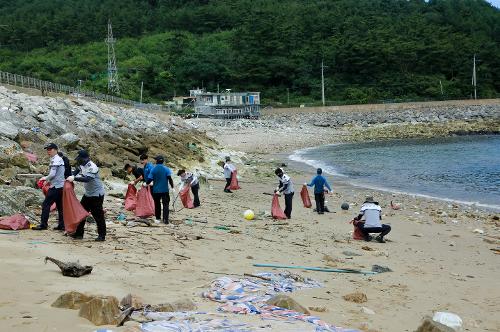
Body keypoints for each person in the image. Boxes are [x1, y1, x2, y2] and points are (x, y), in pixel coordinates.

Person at [67, 150, 106, 241]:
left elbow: (87, 179)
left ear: (85, 158)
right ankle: (79, 234)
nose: (78, 161)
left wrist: (74, 178)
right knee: (81, 213)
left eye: (79, 159)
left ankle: (102, 235)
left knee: (98, 215)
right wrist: (71, 175)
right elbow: (76, 171)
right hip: (88, 194)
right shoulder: (82, 165)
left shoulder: (92, 167)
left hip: (97, 195)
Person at [33, 143, 65, 231]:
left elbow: (52, 174)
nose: (48, 151)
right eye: (47, 149)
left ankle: (43, 224)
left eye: (50, 149)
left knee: (46, 205)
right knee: (60, 206)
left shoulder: (56, 159)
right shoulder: (57, 159)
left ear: (55, 149)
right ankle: (62, 225)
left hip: (56, 186)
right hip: (60, 186)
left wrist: (44, 178)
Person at [146, 155, 174, 224]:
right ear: (162, 161)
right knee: (166, 205)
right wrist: (172, 187)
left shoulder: (153, 169)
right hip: (165, 190)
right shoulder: (166, 169)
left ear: (157, 161)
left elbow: (149, 179)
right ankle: (165, 220)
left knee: (157, 204)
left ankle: (158, 218)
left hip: (156, 190)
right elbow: (170, 179)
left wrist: (146, 184)